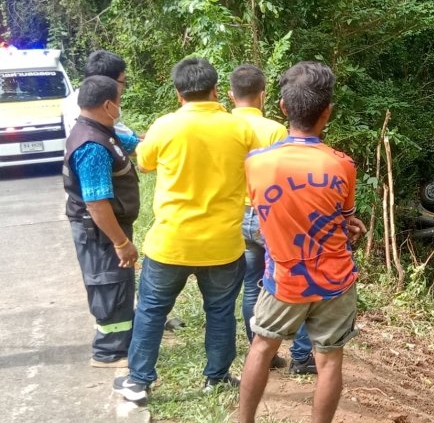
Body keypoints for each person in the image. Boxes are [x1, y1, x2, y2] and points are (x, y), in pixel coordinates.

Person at [229, 61, 366, 423]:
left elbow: (278, 214)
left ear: (284, 108)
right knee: (329, 360)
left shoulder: (256, 164)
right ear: (328, 112)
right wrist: (349, 225)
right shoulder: (343, 166)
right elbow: (342, 218)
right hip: (335, 282)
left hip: (284, 279)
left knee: (262, 346)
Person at [112, 58, 259, 403]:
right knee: (220, 311)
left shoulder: (165, 127)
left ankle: (138, 381)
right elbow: (257, 167)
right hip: (222, 244)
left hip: (171, 242)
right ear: (215, 90)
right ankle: (218, 377)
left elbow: (145, 163)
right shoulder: (241, 130)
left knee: (151, 310)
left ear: (178, 94)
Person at [228, 64, 316, 374]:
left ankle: (262, 353)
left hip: (239, 215)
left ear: (229, 95)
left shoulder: (222, 127)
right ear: (263, 95)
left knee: (252, 285)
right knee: (298, 279)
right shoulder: (274, 130)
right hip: (271, 217)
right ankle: (302, 357)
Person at [63, 75, 139, 368]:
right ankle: (109, 352)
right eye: (119, 101)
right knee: (108, 284)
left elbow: (136, 144)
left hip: (108, 227)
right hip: (100, 231)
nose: (120, 107)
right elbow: (96, 203)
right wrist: (120, 242)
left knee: (118, 284)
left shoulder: (100, 130)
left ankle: (121, 342)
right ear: (109, 105)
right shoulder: (92, 146)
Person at [63, 50, 135, 138]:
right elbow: (128, 141)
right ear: (108, 82)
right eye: (123, 82)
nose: (124, 87)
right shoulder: (99, 108)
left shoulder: (74, 100)